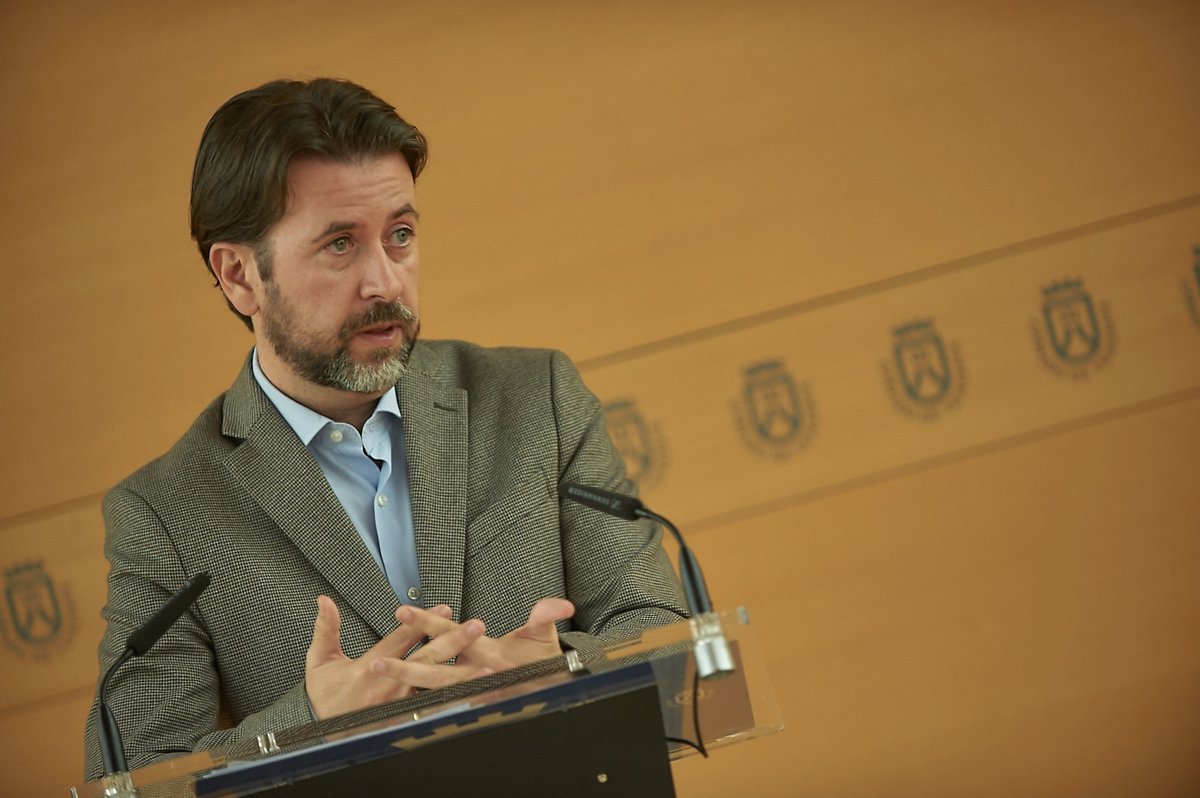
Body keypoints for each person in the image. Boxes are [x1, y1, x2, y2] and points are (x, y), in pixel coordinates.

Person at [83, 77, 687, 780]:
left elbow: (668, 642)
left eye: (399, 235)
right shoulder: (167, 514)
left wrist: (563, 674)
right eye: (341, 245)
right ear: (240, 276)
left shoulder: (535, 400)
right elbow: (132, 777)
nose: (386, 282)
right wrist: (312, 720)